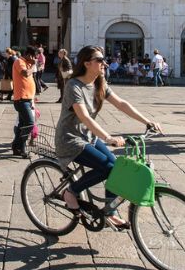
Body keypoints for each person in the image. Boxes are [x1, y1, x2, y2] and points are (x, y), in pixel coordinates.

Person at [56, 45, 162, 230]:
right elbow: (84, 116)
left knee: (116, 167)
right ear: (87, 63)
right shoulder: (74, 86)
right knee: (107, 167)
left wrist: (147, 122)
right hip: (70, 139)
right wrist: (108, 137)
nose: (104, 63)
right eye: (99, 60)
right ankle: (71, 192)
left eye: (103, 59)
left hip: (88, 136)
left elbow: (121, 103)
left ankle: (109, 212)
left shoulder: (99, 83)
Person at [11, 46, 38, 157]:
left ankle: (16, 147)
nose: (35, 59)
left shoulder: (28, 63)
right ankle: (21, 147)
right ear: (28, 55)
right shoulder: (19, 61)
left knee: (22, 125)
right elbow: (25, 73)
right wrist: (34, 65)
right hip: (21, 100)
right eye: (34, 57)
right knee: (30, 124)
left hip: (27, 99)